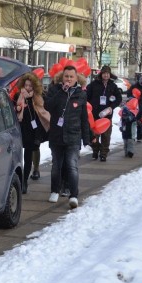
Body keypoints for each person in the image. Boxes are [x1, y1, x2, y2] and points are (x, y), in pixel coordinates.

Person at [44, 65, 91, 209]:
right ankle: (54, 191)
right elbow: (48, 106)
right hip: (57, 135)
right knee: (56, 166)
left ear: (76, 78)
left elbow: (84, 118)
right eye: (66, 76)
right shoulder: (55, 90)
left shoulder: (81, 94)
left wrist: (86, 138)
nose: (68, 79)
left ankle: (74, 195)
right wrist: (60, 92)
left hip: (73, 136)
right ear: (62, 77)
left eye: (71, 77)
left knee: (72, 166)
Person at [14, 73, 50, 194]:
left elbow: (41, 113)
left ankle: (24, 182)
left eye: (30, 85)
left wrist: (38, 135)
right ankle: (19, 179)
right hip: (21, 128)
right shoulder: (19, 96)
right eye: (26, 85)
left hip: (32, 130)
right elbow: (15, 109)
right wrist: (18, 108)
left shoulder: (37, 97)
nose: (28, 87)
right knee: (18, 156)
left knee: (28, 157)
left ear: (34, 86)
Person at [85, 65, 122, 161]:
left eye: (107, 73)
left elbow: (119, 99)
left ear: (110, 75)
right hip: (94, 115)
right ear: (101, 74)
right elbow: (86, 97)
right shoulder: (93, 85)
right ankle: (95, 150)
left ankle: (104, 154)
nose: (106, 75)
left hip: (107, 115)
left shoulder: (113, 86)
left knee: (106, 136)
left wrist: (111, 107)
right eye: (104, 73)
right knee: (93, 136)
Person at [127, 75, 142, 142]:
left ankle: (139, 137)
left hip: (141, 106)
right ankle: (132, 136)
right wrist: (132, 98)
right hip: (133, 106)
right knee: (133, 121)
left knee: (140, 121)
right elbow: (128, 94)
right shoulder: (134, 86)